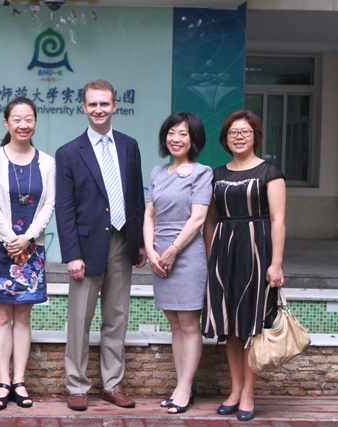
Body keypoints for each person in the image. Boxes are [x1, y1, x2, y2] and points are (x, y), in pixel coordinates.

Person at [56, 79, 147, 411]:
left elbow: (136, 197)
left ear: (114, 106)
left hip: (123, 241)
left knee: (116, 317)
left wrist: (139, 242)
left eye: (104, 104)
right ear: (83, 107)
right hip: (86, 246)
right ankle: (77, 386)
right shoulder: (68, 152)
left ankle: (112, 384)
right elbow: (64, 208)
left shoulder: (129, 146)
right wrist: (72, 254)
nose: (98, 109)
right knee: (79, 320)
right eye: (92, 104)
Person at [202, 110, 286, 422]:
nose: (238, 137)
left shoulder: (269, 172)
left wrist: (276, 263)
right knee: (231, 326)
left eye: (245, 132)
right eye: (233, 132)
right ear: (225, 138)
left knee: (252, 325)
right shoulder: (217, 174)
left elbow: (278, 220)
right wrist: (211, 259)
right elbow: (210, 221)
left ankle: (249, 393)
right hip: (224, 252)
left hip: (257, 252)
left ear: (255, 136)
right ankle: (235, 390)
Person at [0, 97, 56, 410]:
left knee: (23, 316)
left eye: (29, 119)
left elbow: (49, 204)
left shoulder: (47, 162)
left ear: (35, 122)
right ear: (6, 123)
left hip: (32, 248)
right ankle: (3, 381)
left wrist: (28, 237)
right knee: (0, 316)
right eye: (17, 119)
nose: (23, 125)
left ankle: (20, 381)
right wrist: (12, 239)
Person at [143, 111, 212, 414]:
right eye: (171, 132)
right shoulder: (158, 172)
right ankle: (183, 383)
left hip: (186, 254)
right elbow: (150, 215)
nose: (176, 138)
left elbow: (198, 219)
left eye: (183, 133)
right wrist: (151, 250)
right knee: (174, 324)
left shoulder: (202, 172)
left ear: (194, 139)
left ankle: (184, 387)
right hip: (160, 256)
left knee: (188, 323)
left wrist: (172, 250)